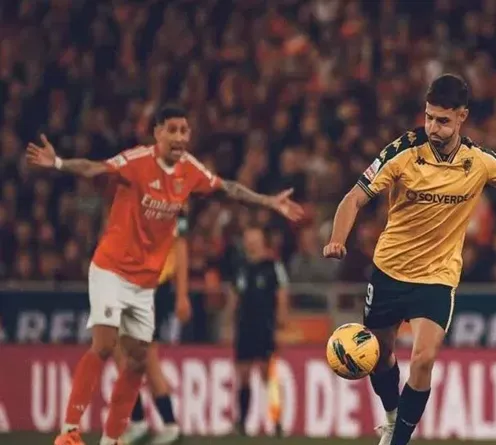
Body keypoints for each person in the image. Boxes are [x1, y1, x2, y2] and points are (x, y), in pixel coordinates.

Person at [322, 73, 496, 445]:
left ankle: (397, 440)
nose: (432, 127)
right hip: (389, 271)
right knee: (380, 355)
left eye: (442, 120)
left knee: (422, 359)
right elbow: (354, 196)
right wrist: (337, 239)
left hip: (437, 278)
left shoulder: (478, 161)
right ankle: (391, 415)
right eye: (429, 117)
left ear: (462, 117)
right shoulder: (401, 152)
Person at [25, 104, 303, 445]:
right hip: (111, 268)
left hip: (146, 282)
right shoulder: (136, 161)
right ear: (157, 133)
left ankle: (112, 439)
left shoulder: (190, 170)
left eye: (184, 131)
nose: (179, 137)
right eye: (172, 130)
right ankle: (69, 431)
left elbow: (228, 188)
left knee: (139, 361)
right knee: (104, 344)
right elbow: (95, 169)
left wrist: (268, 202)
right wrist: (57, 163)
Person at [118, 212, 191, 444]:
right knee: (122, 355)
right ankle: (139, 421)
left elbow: (180, 247)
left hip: (154, 287)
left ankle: (169, 425)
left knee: (146, 357)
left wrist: (181, 295)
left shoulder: (170, 199)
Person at [228, 226, 289, 436]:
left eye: (254, 238)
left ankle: (277, 421)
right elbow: (235, 295)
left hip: (264, 326)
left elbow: (281, 292)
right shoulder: (241, 266)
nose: (251, 243)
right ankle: (242, 423)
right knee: (243, 375)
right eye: (248, 239)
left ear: (262, 241)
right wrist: (229, 321)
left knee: (267, 374)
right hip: (244, 326)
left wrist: (281, 317)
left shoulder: (272, 265)